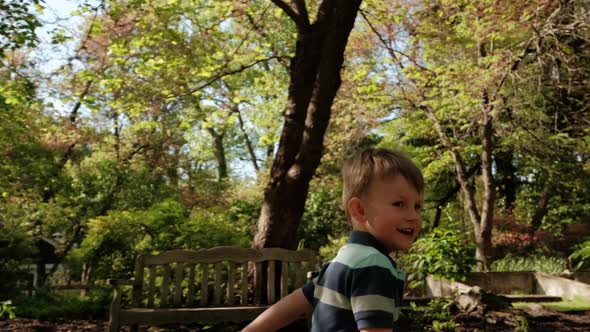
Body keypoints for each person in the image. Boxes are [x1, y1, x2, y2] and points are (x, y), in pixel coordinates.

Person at [242, 148, 424, 332]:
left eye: (417, 206)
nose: (413, 216)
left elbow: (289, 307)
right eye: (399, 204)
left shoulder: (342, 261)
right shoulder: (373, 264)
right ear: (359, 210)